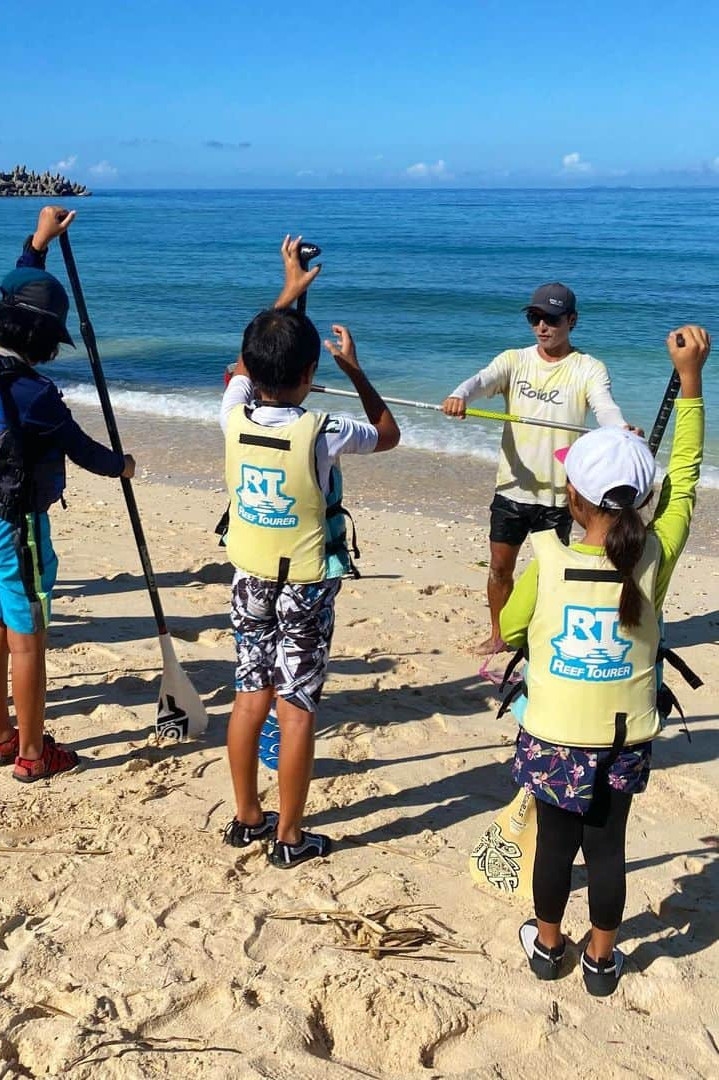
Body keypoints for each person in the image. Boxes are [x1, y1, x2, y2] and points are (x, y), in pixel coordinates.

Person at [502, 326, 708, 996]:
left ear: (573, 496)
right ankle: (601, 959)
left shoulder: (547, 554)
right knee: (608, 846)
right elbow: (685, 477)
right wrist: (692, 380)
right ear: (645, 499)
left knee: (556, 846)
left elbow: (510, 627)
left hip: (554, 732)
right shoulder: (657, 553)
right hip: (623, 740)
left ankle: (548, 945)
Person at [0, 207, 134, 782]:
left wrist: (38, 245)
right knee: (29, 640)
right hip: (15, 529)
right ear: (43, 339)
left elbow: (21, 293)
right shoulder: (32, 392)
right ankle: (30, 752)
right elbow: (84, 451)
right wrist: (122, 465)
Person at [220, 236, 400, 869]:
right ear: (308, 379)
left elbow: (243, 367)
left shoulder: (231, 412)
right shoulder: (324, 428)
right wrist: (353, 368)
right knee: (296, 708)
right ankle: (289, 837)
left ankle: (246, 817)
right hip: (304, 583)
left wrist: (291, 291)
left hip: (249, 575)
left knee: (250, 695)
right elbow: (387, 434)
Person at [442, 284, 635, 654]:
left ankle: (540, 634)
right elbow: (481, 381)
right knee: (500, 568)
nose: (542, 326)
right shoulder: (514, 360)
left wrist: (619, 430)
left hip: (561, 495)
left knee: (551, 573)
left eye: (552, 318)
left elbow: (605, 406)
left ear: (572, 321)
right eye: (535, 318)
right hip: (512, 488)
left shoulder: (588, 368)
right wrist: (459, 396)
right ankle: (499, 635)